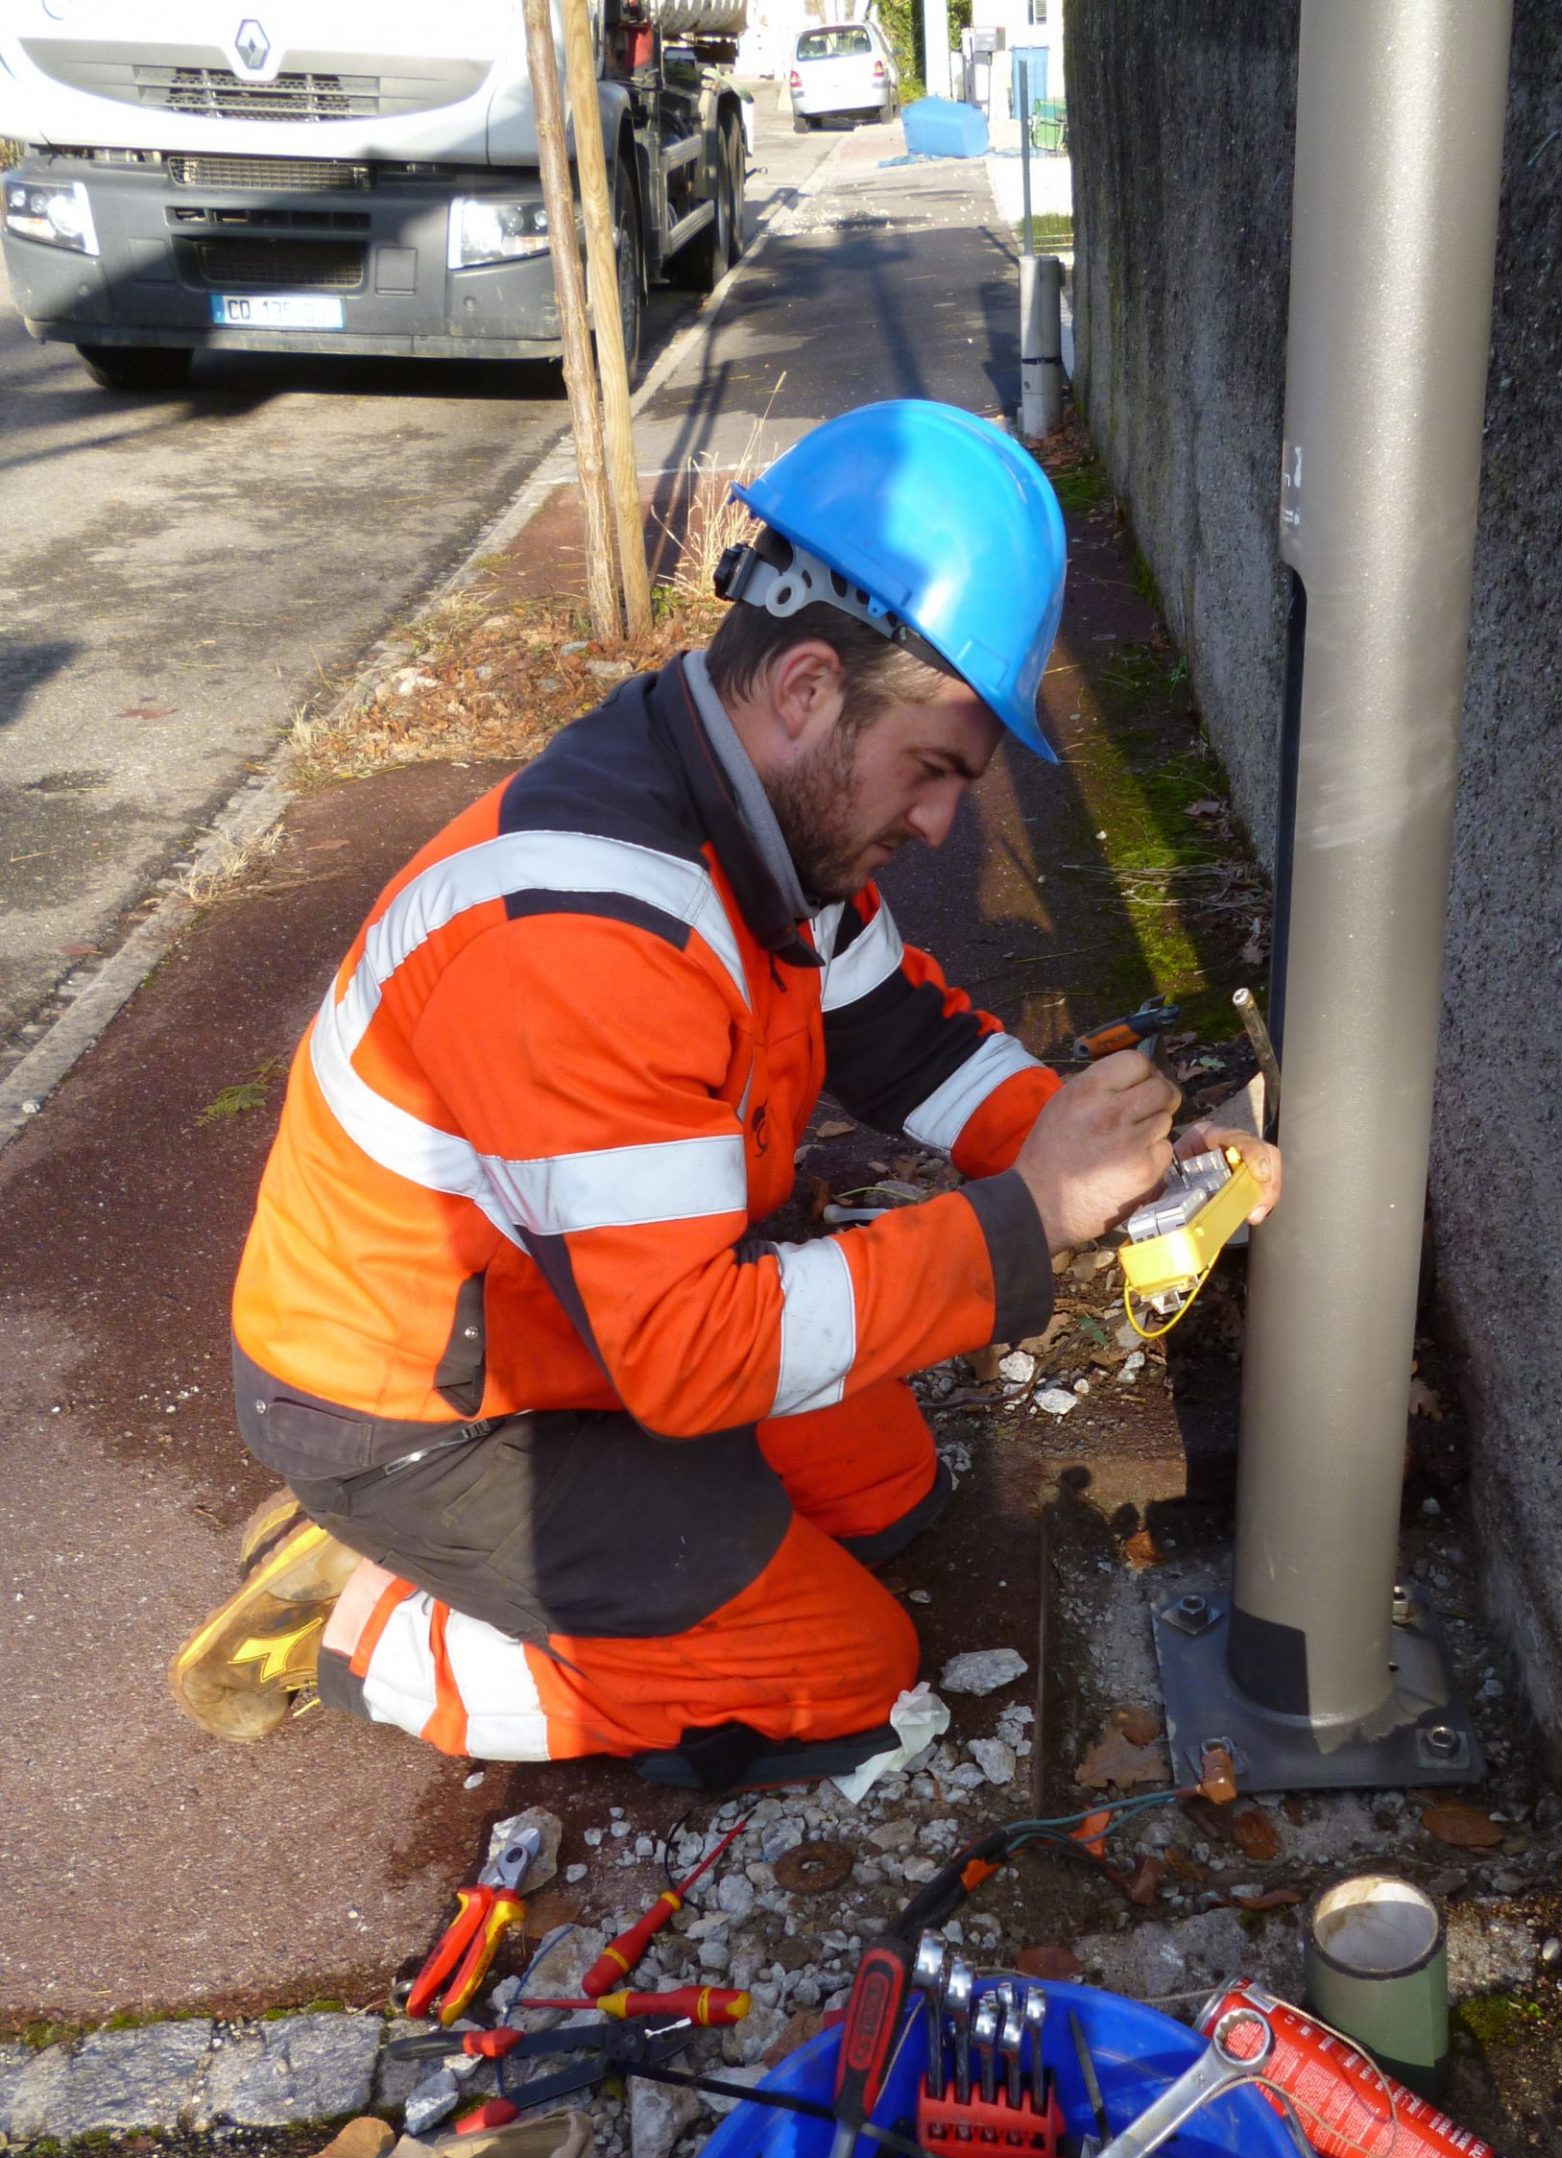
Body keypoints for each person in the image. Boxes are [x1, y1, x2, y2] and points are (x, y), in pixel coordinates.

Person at [170, 399, 1280, 1785]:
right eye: (932, 768)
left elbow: (909, 1047)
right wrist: (1032, 1219)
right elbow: (693, 1357)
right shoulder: (587, 940)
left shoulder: (766, 831)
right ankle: (377, 1624)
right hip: (423, 1411)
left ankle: (542, 1561)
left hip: (581, 1324)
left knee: (889, 1495)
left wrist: (1139, 1160)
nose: (942, 824)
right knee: (846, 1676)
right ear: (807, 688)